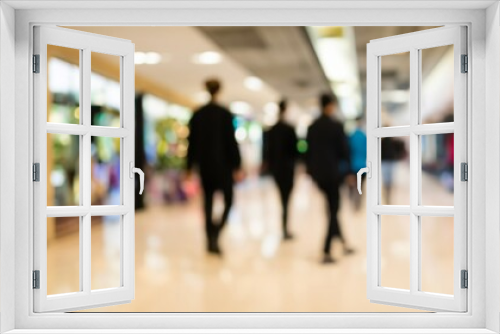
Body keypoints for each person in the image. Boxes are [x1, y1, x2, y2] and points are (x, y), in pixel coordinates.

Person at [186, 78, 244, 256]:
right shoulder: (225, 114)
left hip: (206, 167)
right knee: (228, 200)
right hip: (224, 167)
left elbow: (192, 143)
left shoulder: (198, 114)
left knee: (208, 203)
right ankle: (216, 232)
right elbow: (231, 142)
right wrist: (237, 165)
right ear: (219, 91)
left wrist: (189, 166)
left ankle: (210, 237)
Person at [306, 93, 355, 264]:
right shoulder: (336, 126)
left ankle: (343, 242)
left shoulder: (312, 127)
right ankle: (326, 250)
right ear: (330, 106)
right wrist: (349, 172)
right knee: (334, 210)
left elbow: (308, 153)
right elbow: (344, 150)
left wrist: (311, 173)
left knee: (332, 208)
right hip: (334, 174)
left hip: (319, 175)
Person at [262, 99, 298, 240]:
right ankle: (285, 228)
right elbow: (295, 151)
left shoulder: (271, 130)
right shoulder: (289, 129)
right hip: (287, 169)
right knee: (286, 199)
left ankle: (284, 227)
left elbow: (267, 151)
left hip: (276, 169)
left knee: (282, 198)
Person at [348, 116, 367, 211]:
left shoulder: (351, 136)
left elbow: (347, 152)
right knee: (360, 185)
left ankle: (353, 201)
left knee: (352, 184)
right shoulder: (364, 137)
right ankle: (358, 203)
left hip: (352, 165)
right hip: (363, 166)